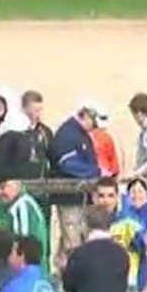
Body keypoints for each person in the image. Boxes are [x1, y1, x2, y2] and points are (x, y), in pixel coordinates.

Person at [49, 103, 100, 256]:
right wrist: (96, 171)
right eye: (94, 122)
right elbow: (67, 164)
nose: (95, 127)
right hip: (70, 197)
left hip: (79, 196)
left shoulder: (78, 134)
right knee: (73, 239)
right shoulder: (68, 134)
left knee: (75, 237)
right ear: (86, 116)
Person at [0, 176, 49, 272]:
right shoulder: (25, 202)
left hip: (28, 272)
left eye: (3, 187)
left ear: (17, 185)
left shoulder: (20, 206)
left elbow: (22, 246)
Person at [21, 89, 52, 178]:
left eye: (40, 110)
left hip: (41, 180)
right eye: (35, 110)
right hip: (20, 181)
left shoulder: (45, 131)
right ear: (25, 109)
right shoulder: (16, 131)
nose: (38, 114)